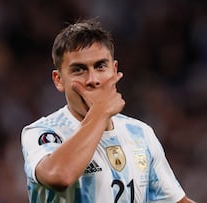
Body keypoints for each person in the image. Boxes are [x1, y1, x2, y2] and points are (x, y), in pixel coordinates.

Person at [21, 19, 195, 203]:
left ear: (114, 69)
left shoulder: (140, 134)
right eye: (78, 70)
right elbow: (60, 176)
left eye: (100, 66)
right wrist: (100, 111)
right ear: (58, 80)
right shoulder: (42, 132)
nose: (92, 79)